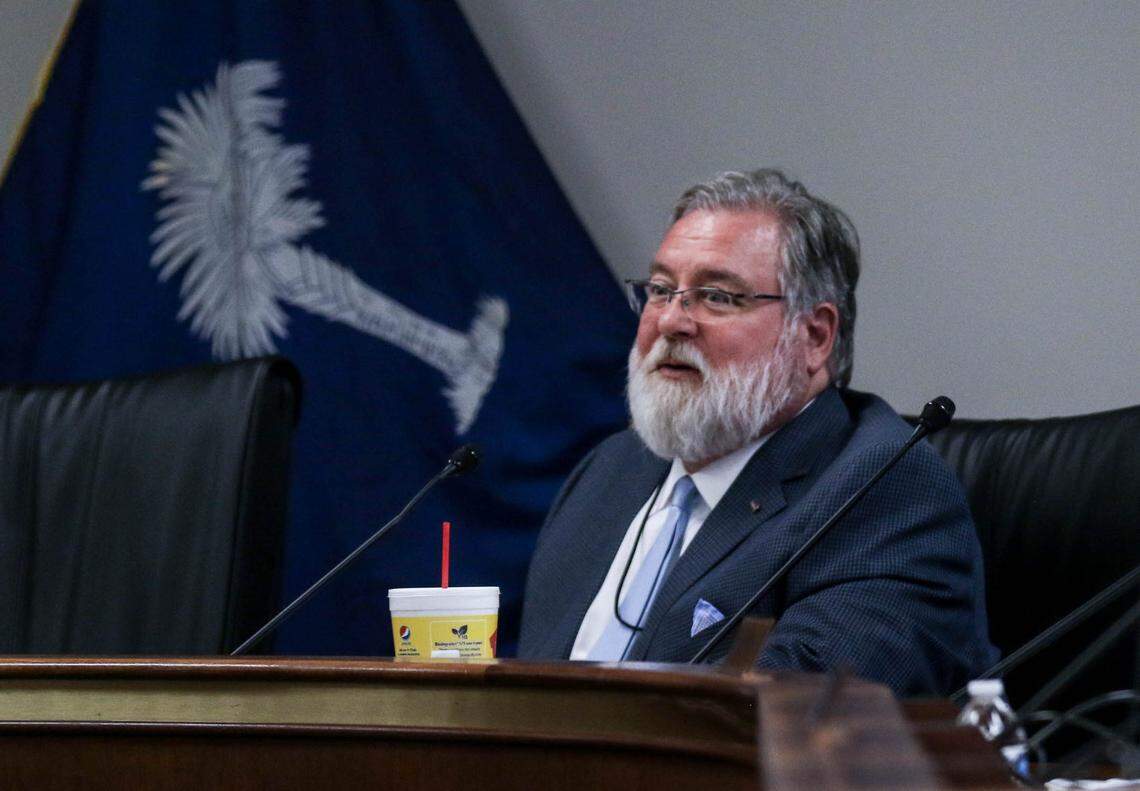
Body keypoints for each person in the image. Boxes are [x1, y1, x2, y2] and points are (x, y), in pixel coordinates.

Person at [517, 169, 998, 697]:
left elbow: (795, 712)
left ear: (814, 337)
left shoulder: (881, 490)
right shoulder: (610, 471)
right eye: (660, 291)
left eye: (718, 296)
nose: (672, 321)